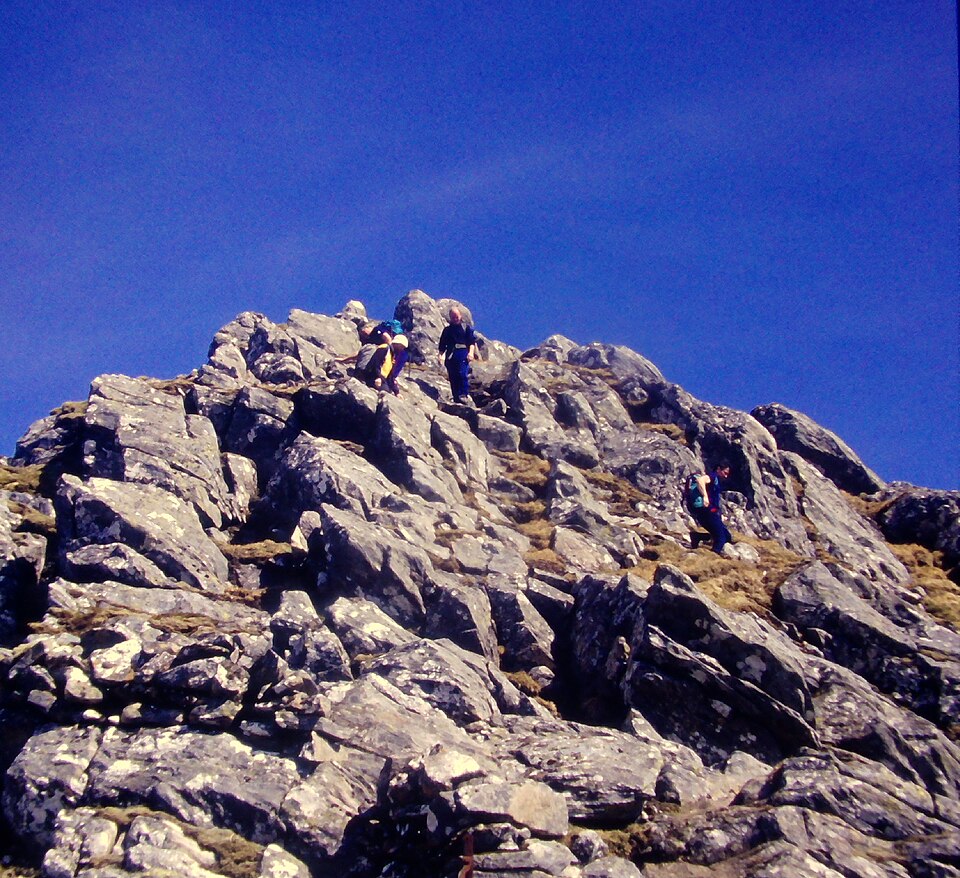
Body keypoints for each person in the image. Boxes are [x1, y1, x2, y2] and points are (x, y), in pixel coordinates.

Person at [689, 463, 733, 554]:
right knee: (721, 538)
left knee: (727, 536)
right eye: (724, 472)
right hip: (707, 511)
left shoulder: (716, 480)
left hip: (709, 512)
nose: (726, 475)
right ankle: (713, 555)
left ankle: (697, 536)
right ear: (718, 469)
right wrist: (705, 496)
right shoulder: (712, 476)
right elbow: (700, 480)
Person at [437, 307, 478, 403]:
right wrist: (440, 355)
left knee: (462, 373)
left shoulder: (465, 328)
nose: (455, 318)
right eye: (453, 317)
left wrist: (471, 353)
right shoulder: (447, 330)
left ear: (460, 316)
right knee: (453, 376)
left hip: (462, 352)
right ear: (450, 318)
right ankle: (456, 397)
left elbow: (471, 342)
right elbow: (442, 344)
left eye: (456, 316)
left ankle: (463, 394)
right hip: (451, 354)